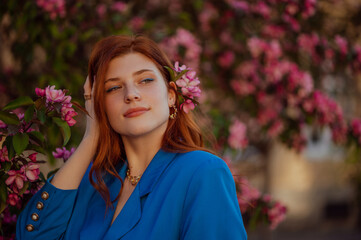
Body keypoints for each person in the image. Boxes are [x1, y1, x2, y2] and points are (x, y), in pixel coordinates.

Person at [16, 35, 247, 240]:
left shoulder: (202, 172)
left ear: (170, 95)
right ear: (100, 106)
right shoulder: (94, 181)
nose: (131, 95)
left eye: (145, 80)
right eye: (113, 88)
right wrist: (90, 137)